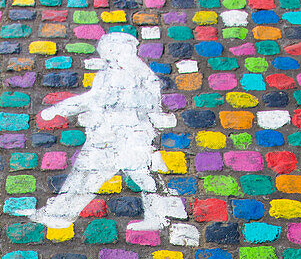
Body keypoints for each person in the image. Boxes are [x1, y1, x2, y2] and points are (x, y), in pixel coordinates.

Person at [19, 32, 184, 231]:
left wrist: (59, 109)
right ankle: (60, 214)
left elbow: (97, 100)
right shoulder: (122, 71)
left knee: (134, 176)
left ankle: (60, 214)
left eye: (108, 50)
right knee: (96, 175)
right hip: (113, 136)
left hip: (122, 137)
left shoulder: (127, 73)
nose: (104, 54)